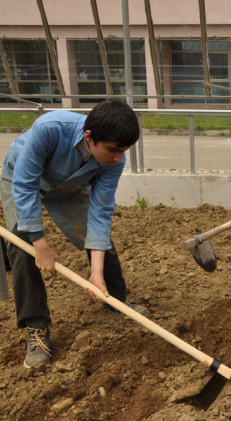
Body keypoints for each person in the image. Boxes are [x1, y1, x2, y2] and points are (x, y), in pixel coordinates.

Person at [1, 99, 149, 368]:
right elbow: (24, 185)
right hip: (21, 180)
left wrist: (95, 273)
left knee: (100, 244)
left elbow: (101, 212)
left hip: (67, 187)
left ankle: (114, 299)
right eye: (113, 150)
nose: (119, 159)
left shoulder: (114, 159)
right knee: (23, 248)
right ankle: (37, 329)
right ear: (89, 137)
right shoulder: (50, 129)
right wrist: (40, 245)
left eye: (124, 151)